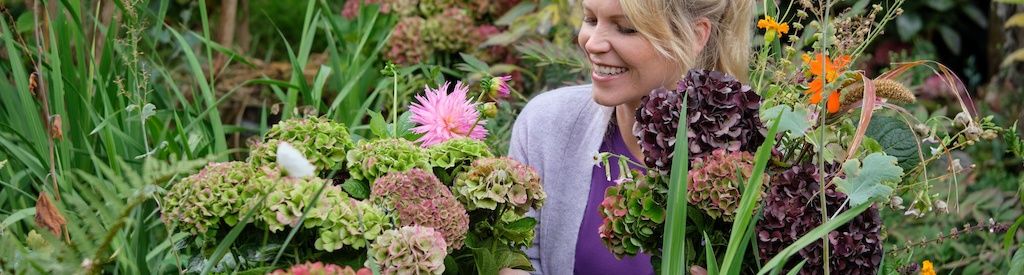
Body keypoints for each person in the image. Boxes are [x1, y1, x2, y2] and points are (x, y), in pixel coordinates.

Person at [503, 0, 753, 274]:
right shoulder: (547, 123)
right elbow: (516, 257)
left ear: (695, 35)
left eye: (626, 28)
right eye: (590, 19)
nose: (592, 43)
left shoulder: (750, 160)